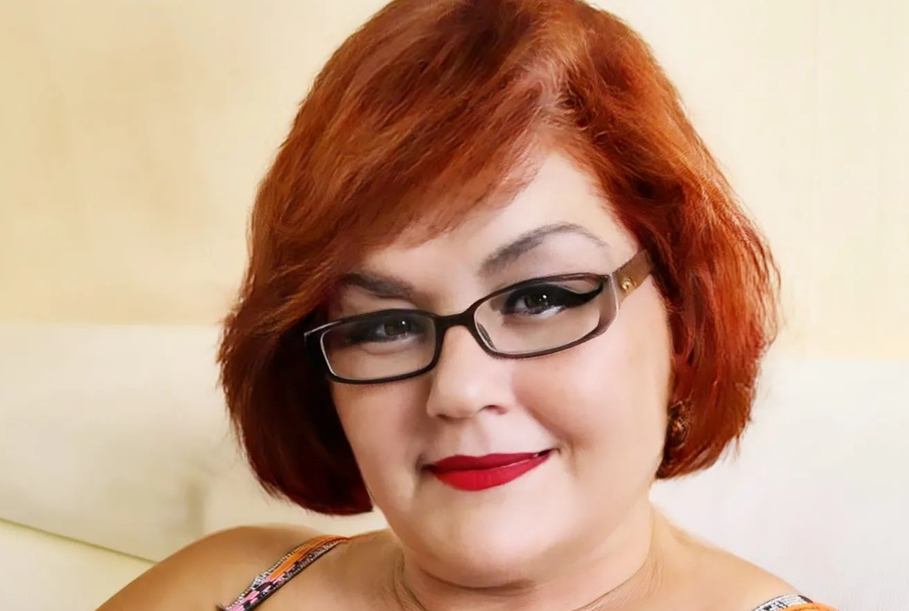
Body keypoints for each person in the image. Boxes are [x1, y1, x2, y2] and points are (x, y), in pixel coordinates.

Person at [99, 0, 839, 609]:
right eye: (385, 324)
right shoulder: (218, 588)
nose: (456, 389)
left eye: (540, 297)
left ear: (682, 315)